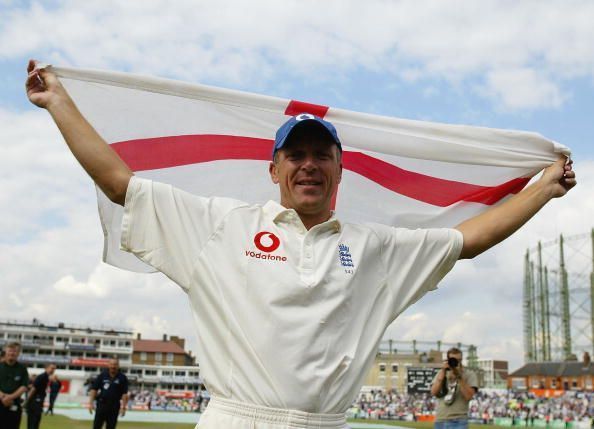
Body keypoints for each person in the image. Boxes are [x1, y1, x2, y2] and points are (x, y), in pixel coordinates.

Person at [25, 60, 577, 429]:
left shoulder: (376, 249)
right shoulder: (222, 225)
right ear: (274, 170)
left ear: (340, 171)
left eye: (321, 156)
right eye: (296, 155)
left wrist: (545, 189)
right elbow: (121, 184)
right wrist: (59, 104)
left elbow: (470, 239)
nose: (308, 165)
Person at [430, 347, 478, 429]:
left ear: (462, 360)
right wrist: (442, 373)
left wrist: (459, 376)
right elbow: (433, 392)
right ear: (448, 360)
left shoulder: (469, 374)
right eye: (453, 360)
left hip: (458, 421)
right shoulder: (441, 373)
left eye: (459, 360)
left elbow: (468, 396)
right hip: (440, 420)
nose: (456, 362)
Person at [88, 358, 128, 429]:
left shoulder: (122, 377)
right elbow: (94, 389)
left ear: (118, 366)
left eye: (115, 364)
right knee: (96, 426)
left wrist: (124, 407)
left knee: (111, 427)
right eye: (111, 364)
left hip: (114, 406)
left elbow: (125, 394)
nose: (113, 366)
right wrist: (91, 403)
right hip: (102, 405)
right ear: (108, 365)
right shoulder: (102, 375)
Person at [0, 342, 29, 429]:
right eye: (10, 350)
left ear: (18, 353)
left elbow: (24, 386)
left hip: (14, 404)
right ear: (6, 351)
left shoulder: (22, 369)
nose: (12, 353)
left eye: (15, 351)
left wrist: (11, 397)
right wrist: (3, 397)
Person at [24, 363, 56, 429]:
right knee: (33, 422)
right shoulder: (42, 377)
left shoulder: (47, 377)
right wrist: (26, 401)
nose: (53, 370)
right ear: (46, 368)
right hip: (35, 402)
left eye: (54, 369)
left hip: (39, 401)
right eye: (52, 368)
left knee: (36, 422)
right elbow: (33, 389)